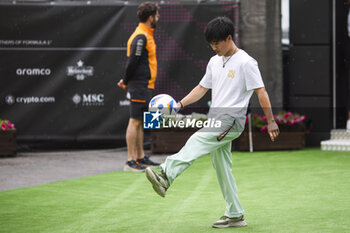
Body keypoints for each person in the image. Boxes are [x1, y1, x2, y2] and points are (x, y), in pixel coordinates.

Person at [145, 16, 280, 228]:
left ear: (228, 38)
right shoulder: (214, 61)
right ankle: (235, 214)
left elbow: (261, 91)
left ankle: (166, 175)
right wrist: (179, 105)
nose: (213, 47)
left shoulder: (246, 62)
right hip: (216, 118)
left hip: (231, 120)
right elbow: (201, 89)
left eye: (216, 42)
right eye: (210, 43)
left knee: (197, 140)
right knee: (222, 168)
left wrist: (271, 121)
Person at [118, 2, 160, 172]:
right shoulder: (141, 36)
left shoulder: (147, 34)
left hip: (146, 85)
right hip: (139, 85)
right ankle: (130, 161)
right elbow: (132, 62)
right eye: (156, 16)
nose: (158, 18)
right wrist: (126, 81)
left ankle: (141, 157)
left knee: (141, 121)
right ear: (151, 18)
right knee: (134, 121)